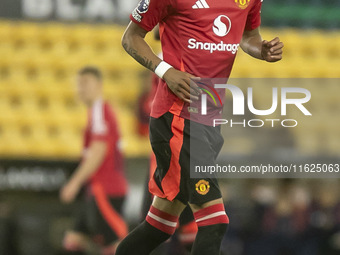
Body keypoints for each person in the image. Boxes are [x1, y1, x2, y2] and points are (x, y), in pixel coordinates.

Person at [117, 0, 284, 254]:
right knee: (214, 223)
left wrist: (260, 49)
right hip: (177, 119)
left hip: (208, 121)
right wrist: (167, 72)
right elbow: (131, 37)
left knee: (159, 226)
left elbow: (249, 36)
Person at [60, 66, 128, 255]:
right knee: (73, 240)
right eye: (79, 84)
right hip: (97, 189)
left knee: (116, 245)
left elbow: (99, 150)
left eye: (85, 83)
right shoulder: (96, 113)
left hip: (105, 189)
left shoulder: (100, 111)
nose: (81, 89)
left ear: (99, 85)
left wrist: (74, 183)